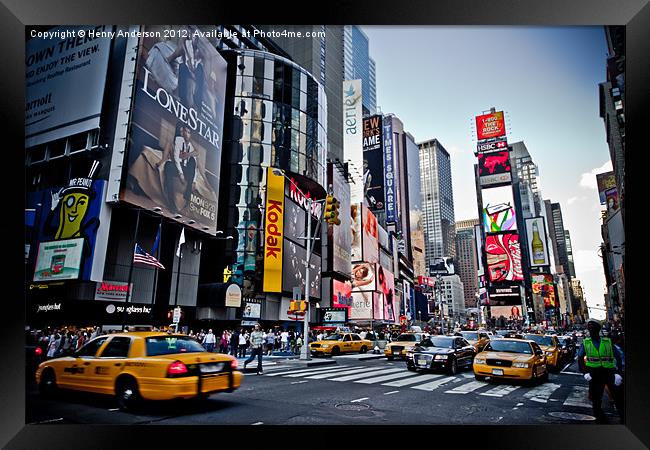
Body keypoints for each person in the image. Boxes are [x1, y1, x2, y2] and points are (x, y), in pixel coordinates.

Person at [577, 318, 624, 423]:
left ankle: (624, 419)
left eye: (593, 326)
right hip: (594, 374)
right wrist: (585, 373)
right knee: (596, 400)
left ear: (598, 328)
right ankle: (600, 421)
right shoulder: (586, 342)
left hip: (609, 373)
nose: (590, 328)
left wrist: (618, 373)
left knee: (618, 399)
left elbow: (618, 357)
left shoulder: (607, 342)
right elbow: (580, 358)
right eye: (589, 326)